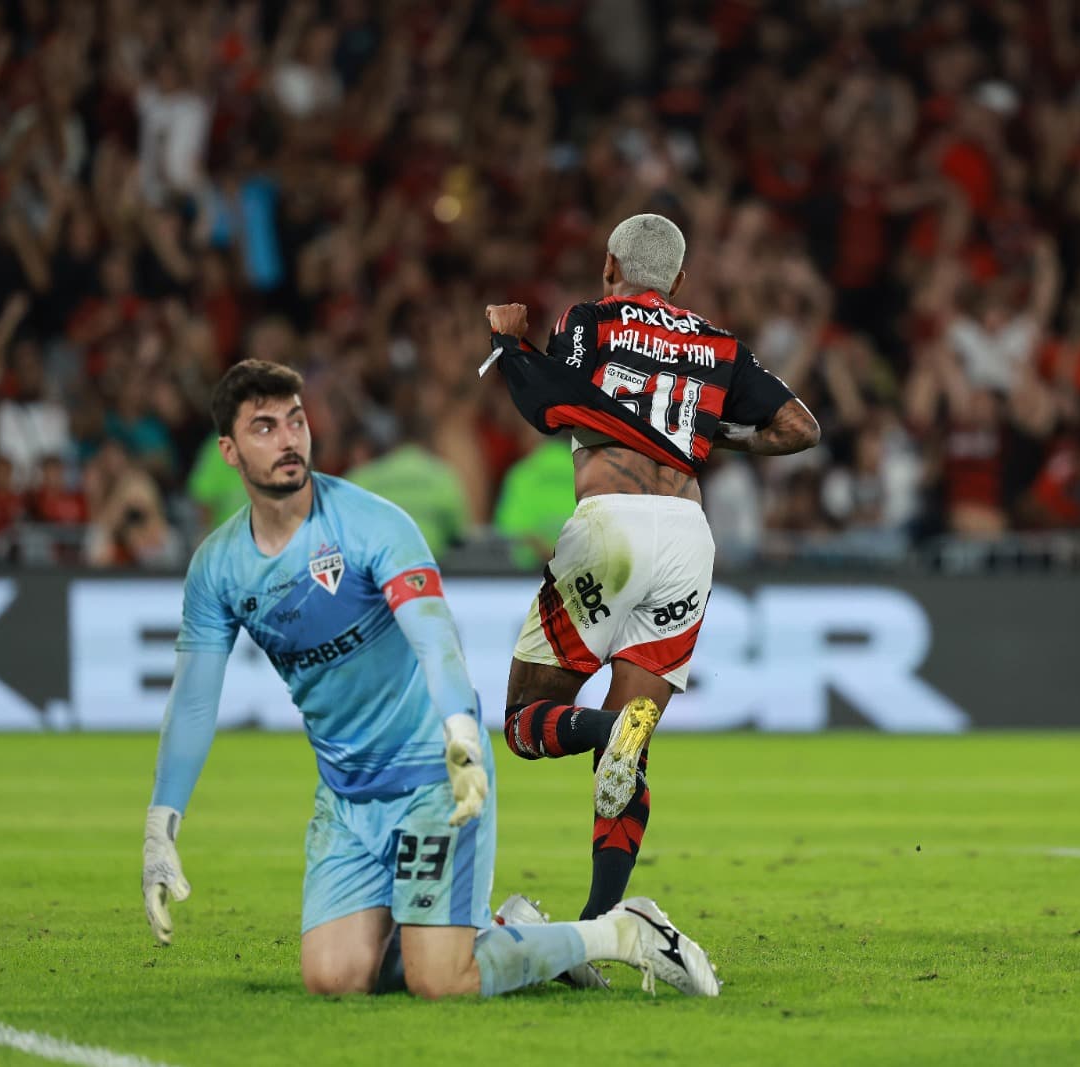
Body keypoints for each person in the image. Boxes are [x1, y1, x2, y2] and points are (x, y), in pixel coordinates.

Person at [141, 359, 719, 999]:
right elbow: (194, 700)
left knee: (442, 981)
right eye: (264, 427)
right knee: (334, 979)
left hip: (433, 770)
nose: (287, 440)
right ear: (229, 450)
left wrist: (462, 739)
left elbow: (435, 639)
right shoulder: (218, 567)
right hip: (344, 795)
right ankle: (507, 932)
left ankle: (623, 930)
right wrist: (160, 824)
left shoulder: (370, 524)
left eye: (296, 422)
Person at [481, 213, 820, 920]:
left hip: (614, 524)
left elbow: (550, 403)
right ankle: (600, 921)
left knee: (521, 723)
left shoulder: (590, 320)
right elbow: (799, 428)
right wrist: (704, 437)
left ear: (610, 265)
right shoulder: (720, 344)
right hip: (690, 538)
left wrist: (507, 343)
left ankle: (605, 731)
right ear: (681, 281)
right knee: (632, 749)